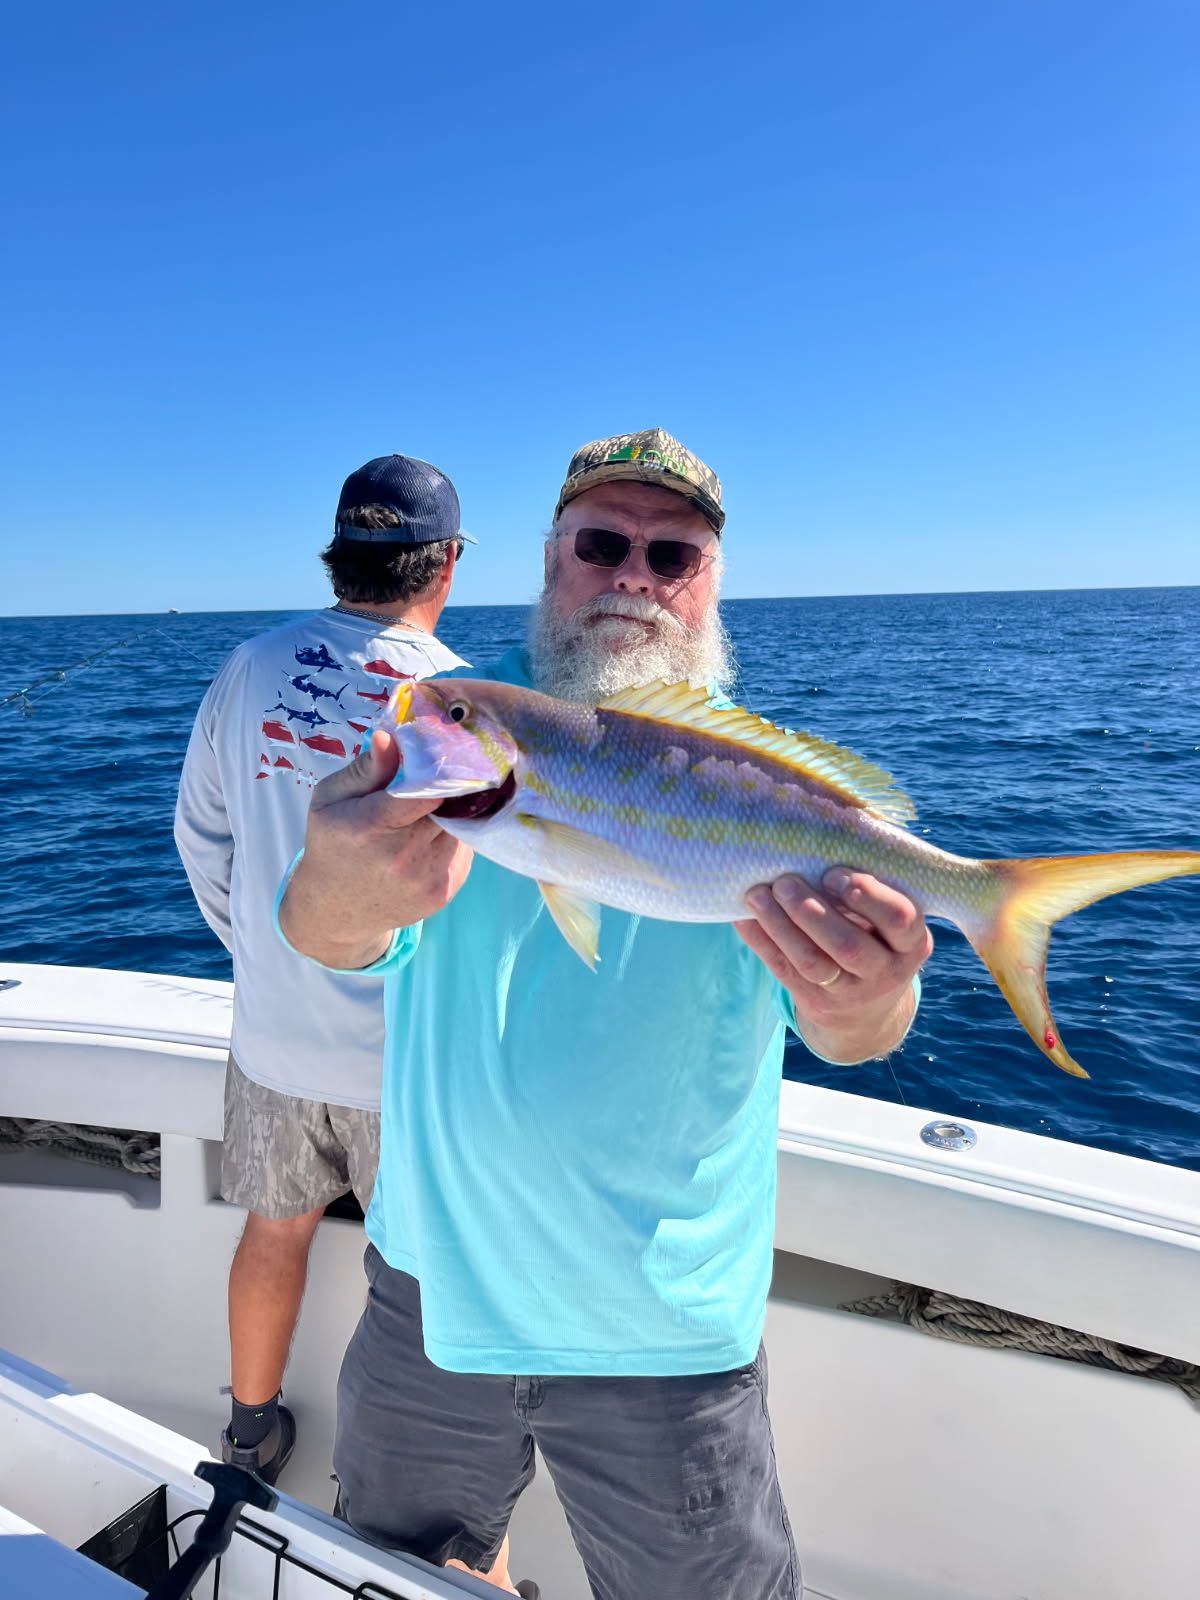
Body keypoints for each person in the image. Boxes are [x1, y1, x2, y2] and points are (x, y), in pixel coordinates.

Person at [278, 428, 933, 1598]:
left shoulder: (771, 786)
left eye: (671, 554)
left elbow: (851, 1035)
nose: (633, 575)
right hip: (431, 1299)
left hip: (666, 1335)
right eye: (602, 543)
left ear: (711, 583)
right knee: (399, 1580)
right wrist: (341, 878)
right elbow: (330, 935)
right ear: (548, 564)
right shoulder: (455, 727)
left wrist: (872, 993)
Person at [174, 453, 469, 1483]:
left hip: (273, 1041)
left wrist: (267, 949)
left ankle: (249, 1434)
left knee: (274, 1228)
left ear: (339, 556)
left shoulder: (249, 666)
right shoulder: (468, 701)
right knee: (415, 1280)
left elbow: (201, 838)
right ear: (447, 564)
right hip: (410, 1068)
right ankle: (398, 1493)